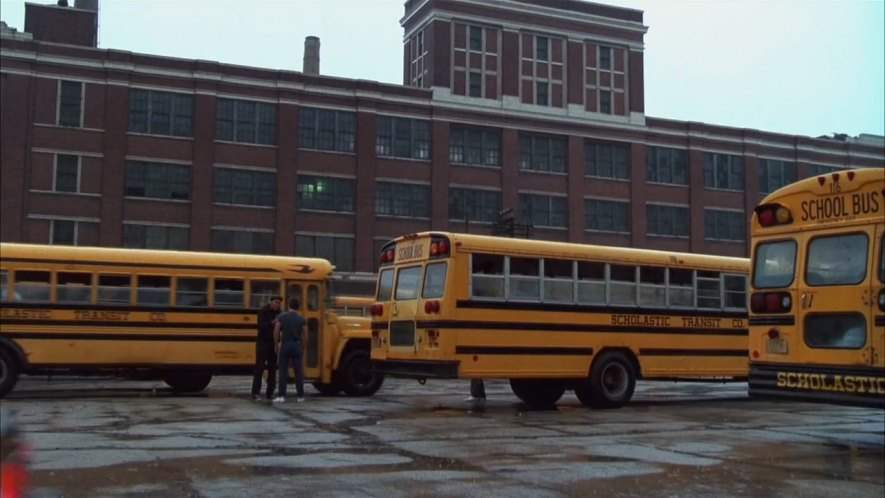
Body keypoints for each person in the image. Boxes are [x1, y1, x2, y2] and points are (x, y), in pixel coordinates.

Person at [273, 297, 306, 403]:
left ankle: (281, 396)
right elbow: (305, 335)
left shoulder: (282, 317)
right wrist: (303, 347)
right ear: (298, 307)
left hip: (285, 344)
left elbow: (276, 330)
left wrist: (276, 344)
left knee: (283, 371)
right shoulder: (301, 319)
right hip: (296, 345)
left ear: (289, 306)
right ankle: (300, 396)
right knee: (298, 372)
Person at [251, 296, 281, 401]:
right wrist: (272, 323)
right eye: (276, 302)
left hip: (273, 343)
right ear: (271, 302)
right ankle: (255, 393)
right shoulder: (263, 311)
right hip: (263, 343)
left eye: (279, 303)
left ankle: (270, 393)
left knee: (272, 369)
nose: (277, 305)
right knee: (259, 368)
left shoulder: (280, 313)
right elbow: (260, 326)